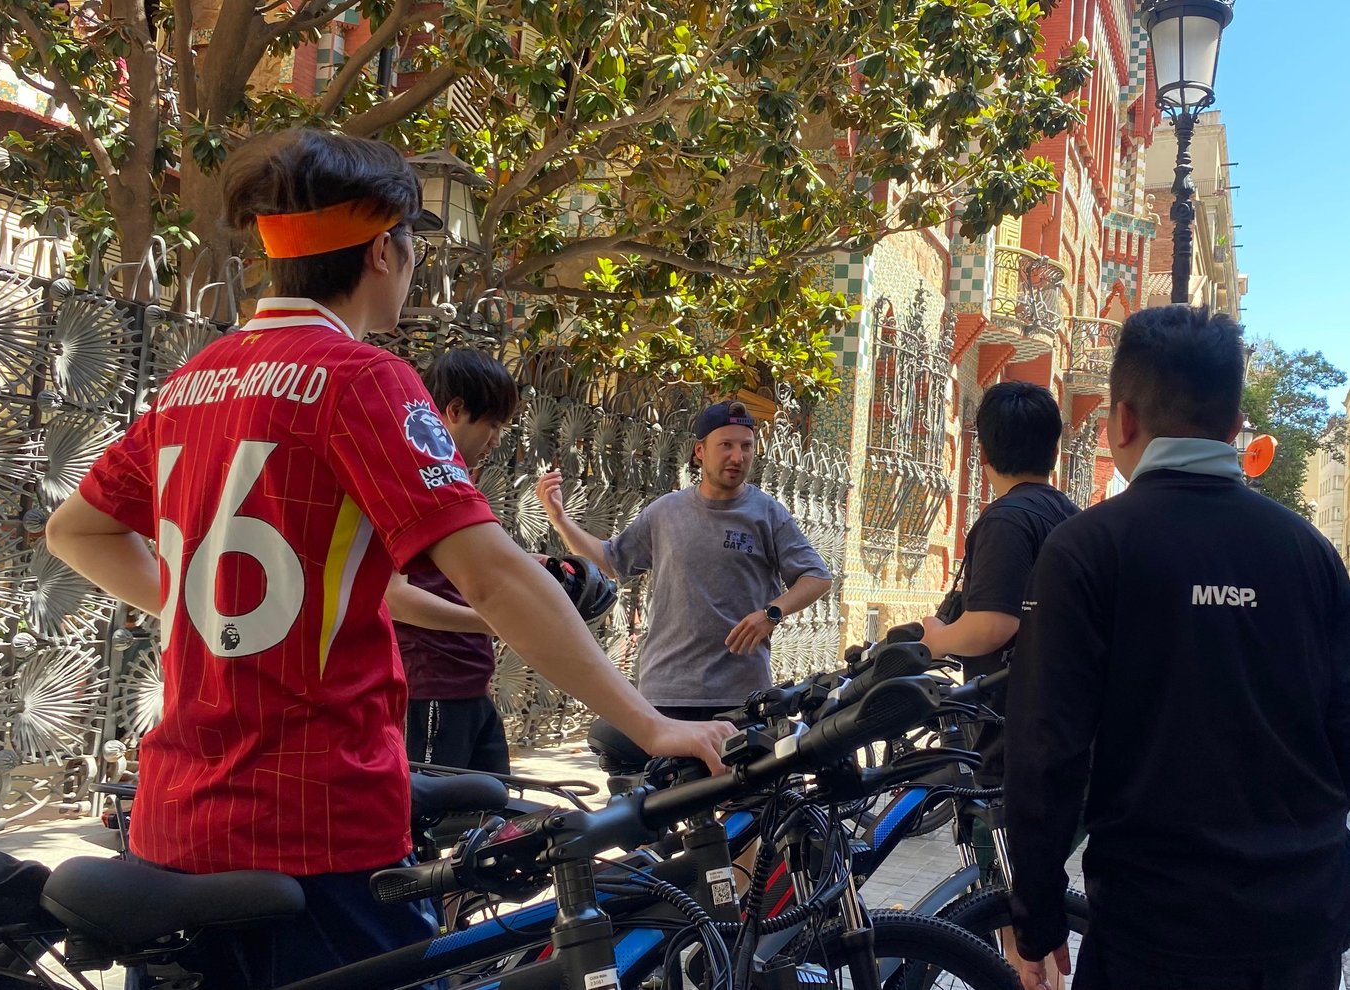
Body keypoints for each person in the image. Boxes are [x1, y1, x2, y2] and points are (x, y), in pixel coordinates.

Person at [44, 128, 732, 989]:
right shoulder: (361, 378)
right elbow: (495, 576)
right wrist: (652, 725)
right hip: (318, 831)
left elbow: (75, 532)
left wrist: (202, 608)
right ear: (382, 251)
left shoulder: (193, 381)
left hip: (172, 824)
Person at [1005, 305, 1350, 990]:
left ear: (1121, 421)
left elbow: (1046, 751)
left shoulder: (1087, 550)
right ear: (1234, 426)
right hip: (1300, 928)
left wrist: (1036, 918)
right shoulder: (1311, 554)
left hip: (1154, 932)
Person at [536, 400, 833, 719]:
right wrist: (560, 519)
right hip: (665, 692)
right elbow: (609, 561)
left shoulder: (767, 514)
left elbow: (817, 577)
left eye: (746, 446)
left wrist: (771, 613)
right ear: (700, 451)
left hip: (740, 697)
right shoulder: (665, 512)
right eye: (726, 445)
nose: (738, 457)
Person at [919, 380, 1078, 786]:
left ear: (983, 453)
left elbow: (992, 624)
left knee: (993, 825)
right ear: (1054, 452)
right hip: (1064, 722)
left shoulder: (1007, 520)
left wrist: (937, 639)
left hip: (1013, 733)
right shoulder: (1071, 516)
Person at [385, 347, 518, 774]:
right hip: (430, 689)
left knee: (495, 808)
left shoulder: (457, 484)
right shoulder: (404, 480)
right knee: (432, 810)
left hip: (472, 687)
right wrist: (491, 622)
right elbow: (395, 597)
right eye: (492, 424)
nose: (497, 439)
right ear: (455, 411)